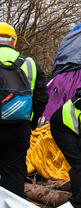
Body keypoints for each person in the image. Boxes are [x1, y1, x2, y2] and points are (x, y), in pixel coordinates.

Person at [0, 22, 49, 198]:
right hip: (19, 127)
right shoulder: (29, 64)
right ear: (14, 41)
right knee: (13, 173)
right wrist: (32, 123)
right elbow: (42, 97)